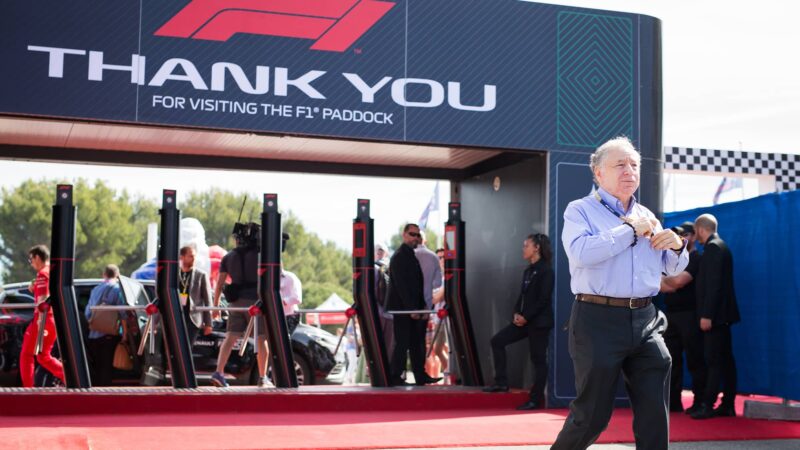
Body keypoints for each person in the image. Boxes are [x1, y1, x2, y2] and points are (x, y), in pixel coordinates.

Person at [553, 137, 688, 450]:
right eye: (620, 165)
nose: (629, 171)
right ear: (598, 173)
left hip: (646, 318)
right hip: (597, 319)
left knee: (655, 413)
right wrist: (629, 230)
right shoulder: (580, 210)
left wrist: (676, 247)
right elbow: (581, 253)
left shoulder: (647, 214)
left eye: (634, 164)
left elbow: (671, 268)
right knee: (592, 416)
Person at [483, 233, 555, 411]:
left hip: (539, 323)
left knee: (538, 360)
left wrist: (526, 317)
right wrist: (516, 313)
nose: (523, 249)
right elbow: (522, 296)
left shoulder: (546, 270)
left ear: (536, 248)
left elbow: (543, 300)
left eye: (526, 245)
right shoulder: (528, 271)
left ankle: (535, 399)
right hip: (524, 321)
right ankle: (501, 383)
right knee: (497, 341)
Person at [690, 213, 740, 419]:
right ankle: (727, 404)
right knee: (725, 360)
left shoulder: (713, 248)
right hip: (722, 316)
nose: (696, 237)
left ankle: (708, 404)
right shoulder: (721, 246)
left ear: (701, 230)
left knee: (714, 360)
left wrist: (707, 315)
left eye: (696, 232)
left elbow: (714, 285)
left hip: (715, 317)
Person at [211, 222, 273, 388]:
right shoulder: (260, 256)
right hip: (255, 304)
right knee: (261, 339)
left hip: (235, 304)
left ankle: (219, 372)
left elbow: (219, 284)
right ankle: (262, 377)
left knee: (230, 337)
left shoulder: (228, 257)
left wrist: (216, 307)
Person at [660, 222, 707, 414]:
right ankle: (673, 402)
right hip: (671, 315)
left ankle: (700, 401)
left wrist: (665, 279)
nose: (681, 239)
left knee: (695, 359)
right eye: (678, 235)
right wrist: (667, 282)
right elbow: (661, 287)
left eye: (685, 235)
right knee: (671, 360)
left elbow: (679, 282)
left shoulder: (696, 258)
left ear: (694, 236)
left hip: (690, 315)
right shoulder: (671, 260)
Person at [387, 223, 440, 386]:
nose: (415, 238)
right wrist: (411, 309)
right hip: (404, 309)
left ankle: (420, 375)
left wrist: (422, 307)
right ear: (404, 235)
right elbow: (402, 286)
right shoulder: (399, 257)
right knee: (402, 343)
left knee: (417, 343)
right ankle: (396, 376)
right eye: (412, 234)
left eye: (417, 235)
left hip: (413, 308)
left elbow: (417, 285)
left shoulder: (410, 255)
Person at [19, 245, 65, 387]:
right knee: (42, 356)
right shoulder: (51, 271)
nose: (31, 263)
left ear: (38, 258)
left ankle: (28, 389)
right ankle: (69, 377)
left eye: (31, 259)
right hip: (51, 320)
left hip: (43, 320)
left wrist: (40, 322)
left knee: (27, 355)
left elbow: (43, 299)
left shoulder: (42, 274)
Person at [84, 264, 128, 386]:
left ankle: (94, 392)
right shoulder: (118, 289)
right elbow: (123, 314)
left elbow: (87, 314)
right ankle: (105, 392)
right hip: (109, 335)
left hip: (93, 335)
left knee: (97, 368)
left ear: (104, 275)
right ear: (118, 275)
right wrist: (125, 334)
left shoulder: (95, 289)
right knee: (106, 369)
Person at [415, 236, 443, 383]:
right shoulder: (432, 257)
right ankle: (421, 374)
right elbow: (437, 283)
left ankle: (398, 375)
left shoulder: (404, 255)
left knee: (403, 343)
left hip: (407, 308)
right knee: (422, 344)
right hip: (426, 309)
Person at [179, 245, 213, 347]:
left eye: (194, 256)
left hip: (193, 319)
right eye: (190, 256)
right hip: (177, 316)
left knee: (187, 348)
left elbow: (208, 300)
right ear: (182, 257)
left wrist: (208, 323)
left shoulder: (201, 275)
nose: (194, 259)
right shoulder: (175, 274)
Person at [426, 248, 448, 379]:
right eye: (439, 258)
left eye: (444, 257)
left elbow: (435, 298)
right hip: (437, 318)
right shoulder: (440, 277)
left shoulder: (448, 277)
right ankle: (450, 372)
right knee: (440, 347)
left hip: (445, 318)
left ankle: (449, 372)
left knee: (438, 348)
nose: (442, 260)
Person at [280, 233, 302, 335]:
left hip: (290, 315)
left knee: (286, 340)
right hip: (277, 314)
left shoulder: (291, 277)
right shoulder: (269, 279)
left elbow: (297, 298)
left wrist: (283, 301)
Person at [374, 243, 394, 356]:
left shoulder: (372, 268)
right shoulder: (393, 268)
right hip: (391, 314)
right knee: (388, 352)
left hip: (376, 314)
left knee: (374, 350)